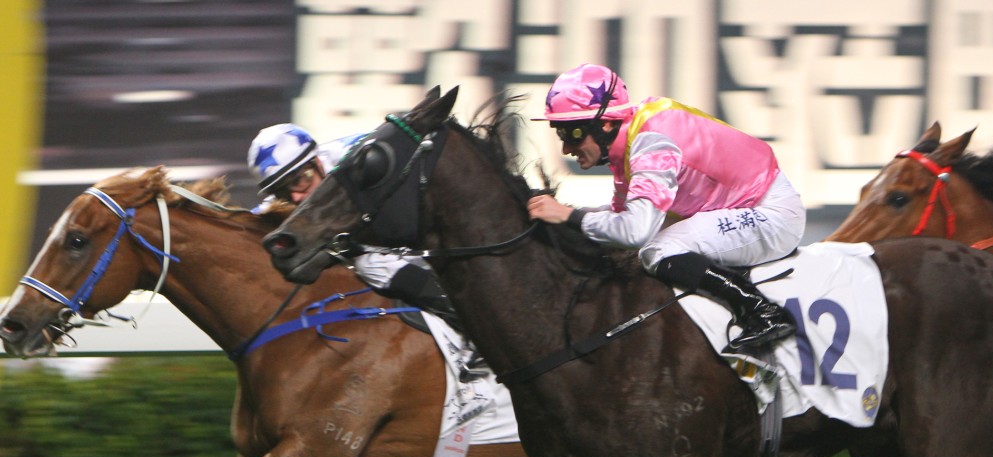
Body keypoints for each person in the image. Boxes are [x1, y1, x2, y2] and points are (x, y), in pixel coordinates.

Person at [526, 63, 806, 353]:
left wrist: (568, 215)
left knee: (658, 251)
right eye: (561, 134)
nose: (566, 149)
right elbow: (619, 220)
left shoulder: (652, 143)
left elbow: (635, 232)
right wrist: (564, 217)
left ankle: (761, 311)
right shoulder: (633, 137)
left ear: (606, 123)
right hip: (738, 205)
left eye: (572, 134)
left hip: (770, 213)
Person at [247, 123, 484, 373]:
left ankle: (477, 327)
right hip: (383, 238)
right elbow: (250, 221)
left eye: (299, 181)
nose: (295, 198)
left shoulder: (357, 155)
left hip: (434, 221)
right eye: (283, 191)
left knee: (371, 263)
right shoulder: (285, 196)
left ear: (317, 161)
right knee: (366, 261)